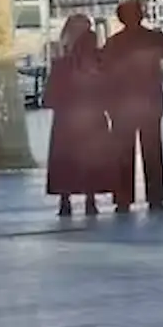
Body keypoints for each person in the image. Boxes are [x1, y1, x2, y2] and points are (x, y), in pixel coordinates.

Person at [100, 1, 163, 213]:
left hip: (121, 104)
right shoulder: (154, 38)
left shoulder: (113, 43)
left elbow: (103, 74)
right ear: (141, 15)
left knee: (123, 151)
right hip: (150, 101)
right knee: (153, 149)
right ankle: (155, 197)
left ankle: (123, 198)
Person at [44, 16, 112, 217]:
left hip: (66, 121)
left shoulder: (61, 65)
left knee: (66, 160)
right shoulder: (101, 64)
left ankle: (65, 201)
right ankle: (90, 200)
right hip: (93, 119)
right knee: (91, 159)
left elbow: (49, 98)